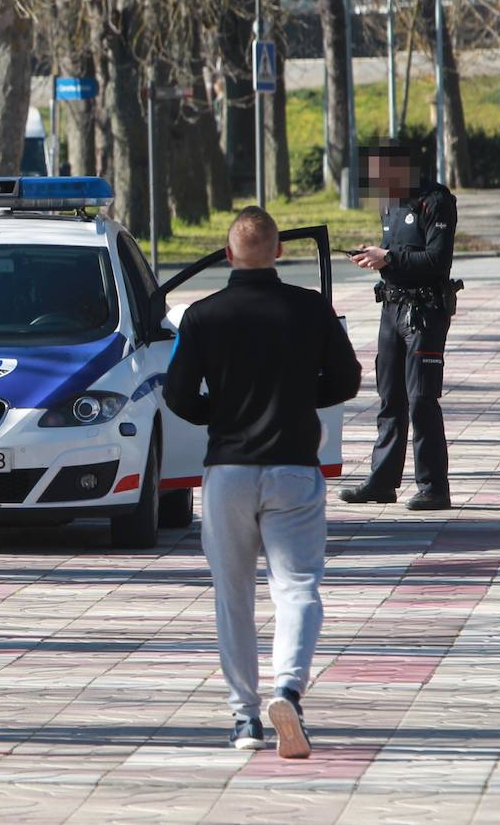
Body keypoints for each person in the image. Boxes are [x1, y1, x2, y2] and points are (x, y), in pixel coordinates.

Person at [164, 207, 361, 759]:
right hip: (295, 467)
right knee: (297, 587)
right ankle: (289, 691)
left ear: (228, 256)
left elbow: (177, 396)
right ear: (279, 252)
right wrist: (298, 400)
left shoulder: (201, 317)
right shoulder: (310, 308)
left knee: (233, 596)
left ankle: (244, 718)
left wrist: (221, 411)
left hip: (228, 469)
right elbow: (346, 379)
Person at [340, 141, 459, 511]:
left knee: (422, 398)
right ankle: (382, 481)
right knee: (390, 397)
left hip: (425, 312)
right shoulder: (388, 203)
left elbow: (437, 260)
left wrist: (388, 257)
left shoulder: (435, 201)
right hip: (391, 311)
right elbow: (396, 256)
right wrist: (375, 256)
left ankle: (433, 486)